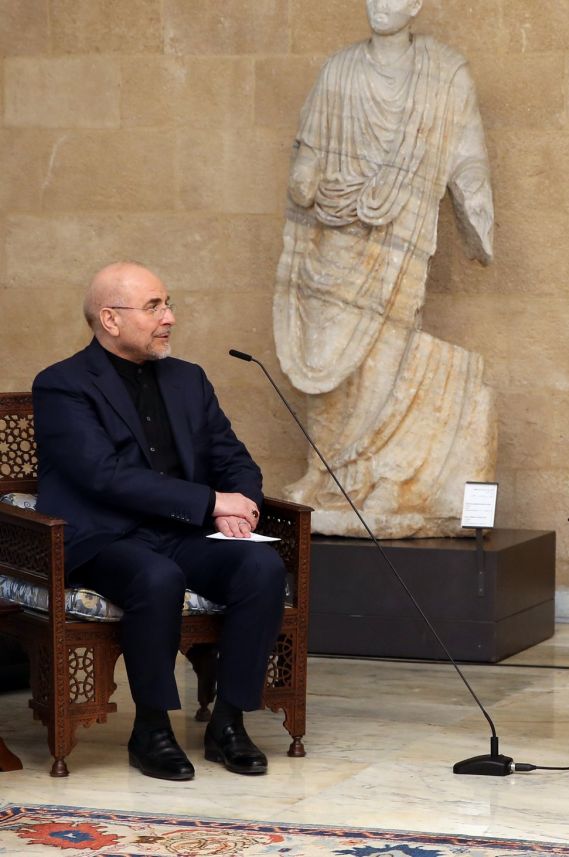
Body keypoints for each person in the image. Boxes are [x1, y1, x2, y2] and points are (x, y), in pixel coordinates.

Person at [32, 261, 287, 781]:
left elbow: (232, 457)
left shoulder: (188, 378)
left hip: (181, 532)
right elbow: (104, 477)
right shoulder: (61, 385)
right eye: (154, 307)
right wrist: (211, 502)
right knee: (156, 576)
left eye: (168, 304)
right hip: (105, 537)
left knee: (260, 566)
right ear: (110, 319)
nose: (169, 317)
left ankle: (229, 723)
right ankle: (150, 729)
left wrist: (242, 506)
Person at [273, 0, 496, 539]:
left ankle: (374, 476)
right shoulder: (339, 68)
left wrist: (477, 214)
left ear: (416, 4)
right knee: (324, 353)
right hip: (332, 228)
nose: (380, 6)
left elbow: (467, 152)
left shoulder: (445, 73)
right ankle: (324, 472)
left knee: (386, 351)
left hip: (399, 229)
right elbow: (309, 144)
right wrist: (304, 172)